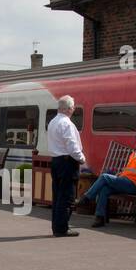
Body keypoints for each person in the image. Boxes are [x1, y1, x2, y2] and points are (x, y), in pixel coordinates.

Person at [79, 134, 136, 227]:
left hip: (135, 185)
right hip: (124, 182)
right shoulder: (133, 154)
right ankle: (100, 217)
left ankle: (87, 198)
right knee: (104, 189)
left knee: (104, 177)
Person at [46, 95, 88, 237]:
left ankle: (57, 226)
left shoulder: (53, 122)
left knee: (58, 196)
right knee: (67, 196)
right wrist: (81, 158)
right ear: (70, 108)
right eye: (73, 106)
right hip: (67, 162)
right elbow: (72, 146)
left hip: (56, 162)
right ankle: (62, 228)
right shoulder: (67, 124)